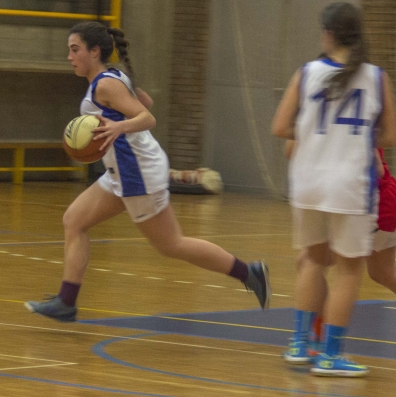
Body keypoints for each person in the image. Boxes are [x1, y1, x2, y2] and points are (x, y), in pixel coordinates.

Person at [26, 21, 270, 322]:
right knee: (74, 221)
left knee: (171, 244)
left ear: (94, 51)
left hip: (137, 173)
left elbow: (147, 116)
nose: (70, 56)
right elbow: (144, 100)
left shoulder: (105, 84)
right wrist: (120, 121)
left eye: (75, 50)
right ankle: (66, 301)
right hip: (121, 170)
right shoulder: (112, 77)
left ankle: (250, 273)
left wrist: (119, 127)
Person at [271, 2, 391, 377]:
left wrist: (312, 132)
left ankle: (298, 345)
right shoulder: (377, 77)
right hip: (349, 185)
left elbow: (280, 127)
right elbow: (389, 136)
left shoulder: (306, 73)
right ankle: (330, 356)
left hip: (307, 182)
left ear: (327, 34)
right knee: (348, 272)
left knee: (312, 260)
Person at [280, 144, 396, 364]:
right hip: (362, 201)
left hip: (368, 204)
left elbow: (376, 167)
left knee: (313, 262)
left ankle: (317, 341)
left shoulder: (348, 131)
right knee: (383, 272)